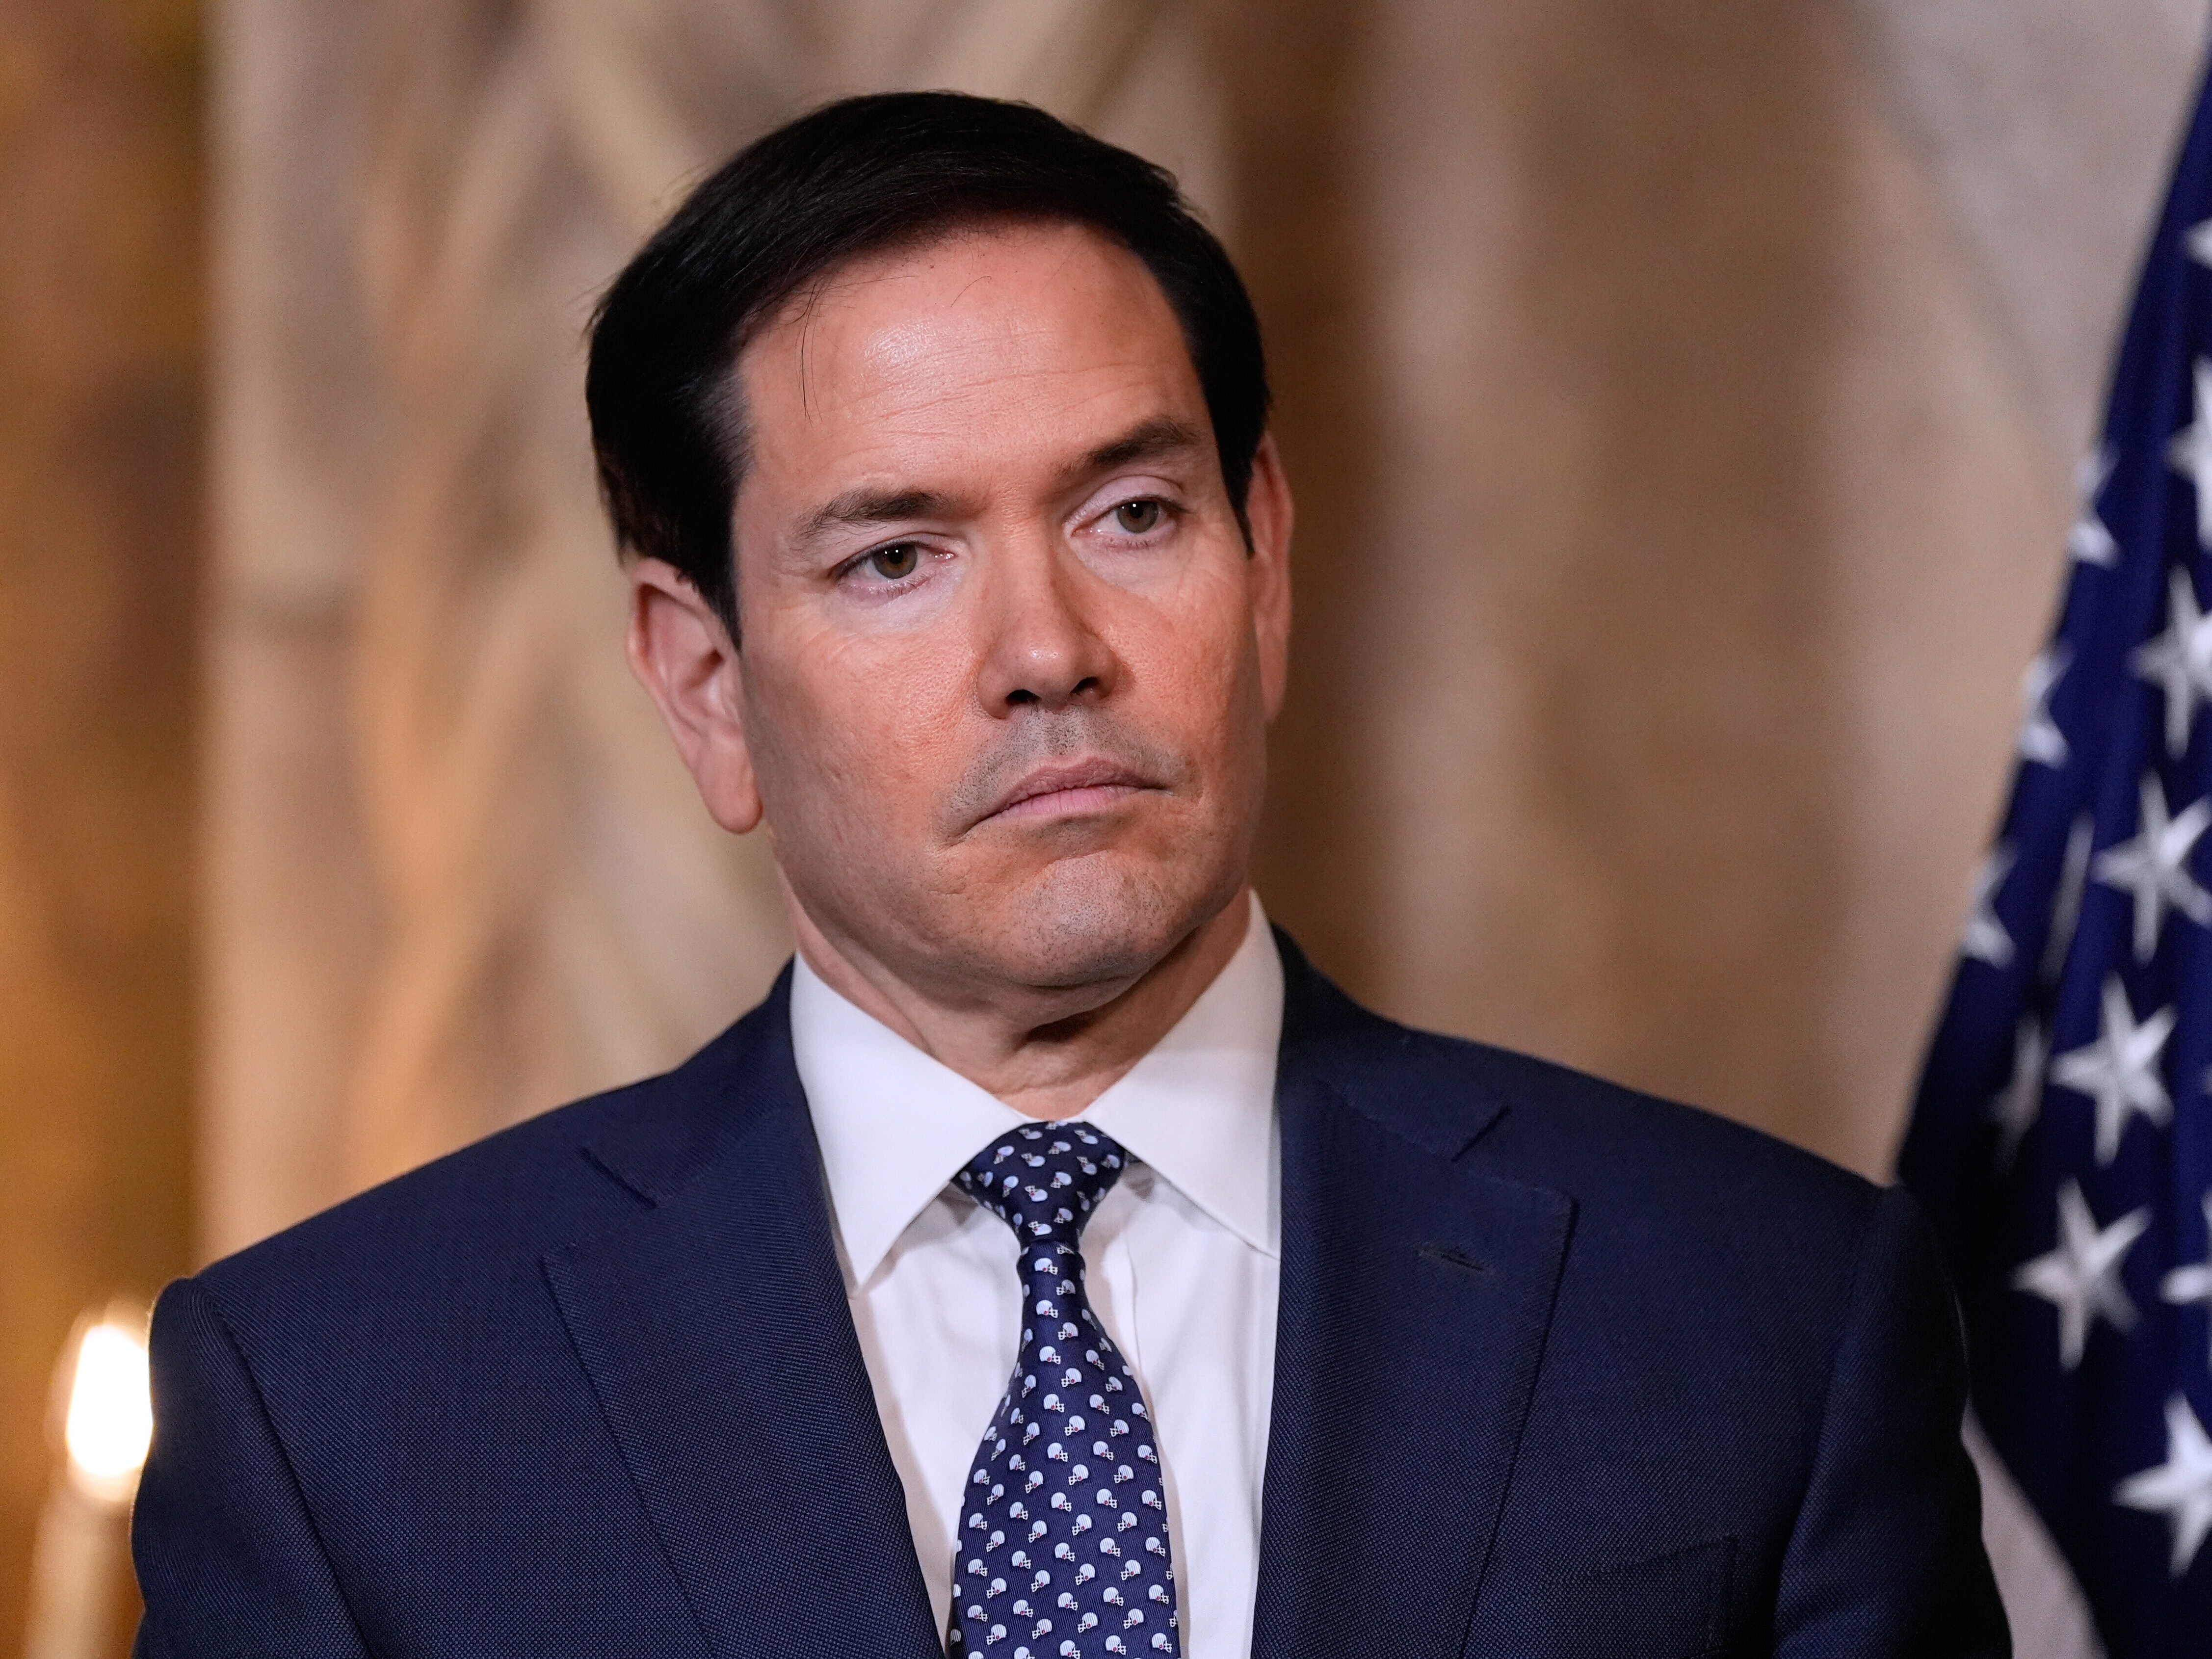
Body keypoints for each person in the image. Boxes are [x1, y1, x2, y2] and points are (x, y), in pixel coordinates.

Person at [130, 91, 2007, 1658]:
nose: (1049, 648)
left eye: (1130, 513)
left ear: (1260, 566)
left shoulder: (1763, 1308)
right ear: (705, 682)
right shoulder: (342, 1404)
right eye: (895, 558)